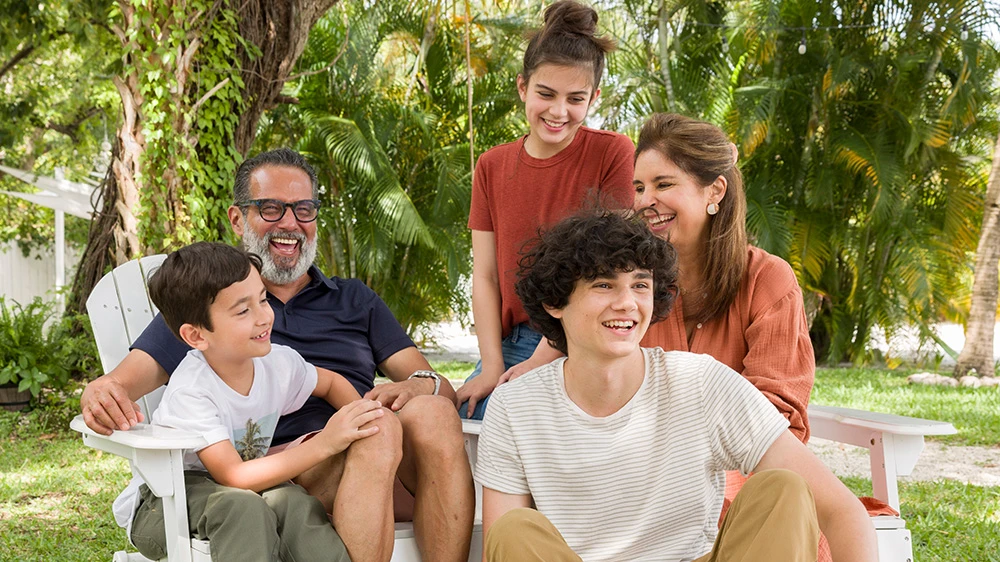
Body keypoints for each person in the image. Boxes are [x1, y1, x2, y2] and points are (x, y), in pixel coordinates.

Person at [81, 148, 475, 562]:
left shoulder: (355, 300)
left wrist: (416, 389)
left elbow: (435, 385)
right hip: (283, 469)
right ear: (238, 219)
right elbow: (117, 384)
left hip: (375, 451)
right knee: (379, 435)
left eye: (304, 209)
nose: (290, 223)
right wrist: (101, 391)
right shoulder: (207, 307)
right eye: (271, 208)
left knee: (433, 413)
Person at [474, 208, 877, 562]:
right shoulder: (515, 405)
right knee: (513, 530)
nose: (627, 303)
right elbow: (505, 549)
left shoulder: (700, 382)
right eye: (603, 285)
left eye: (640, 285)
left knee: (783, 489)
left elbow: (841, 511)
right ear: (555, 302)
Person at [116, 242, 383, 561]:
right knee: (242, 508)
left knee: (295, 503)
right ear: (197, 336)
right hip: (164, 501)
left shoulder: (278, 364)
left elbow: (330, 383)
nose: (264, 317)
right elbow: (234, 476)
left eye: (263, 299)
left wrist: (361, 415)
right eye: (243, 310)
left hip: (238, 489)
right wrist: (326, 442)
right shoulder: (192, 390)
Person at [456, 0, 636, 420]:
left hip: (584, 339)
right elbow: (485, 277)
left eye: (575, 99)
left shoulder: (613, 153)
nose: (558, 111)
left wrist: (541, 359)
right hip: (510, 343)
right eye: (545, 94)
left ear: (594, 98)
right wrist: (492, 366)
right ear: (523, 87)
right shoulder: (492, 165)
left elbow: (609, 269)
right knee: (468, 420)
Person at [632, 112, 814, 444]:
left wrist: (691, 459)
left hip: (744, 464)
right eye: (639, 187)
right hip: (637, 465)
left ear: (715, 191)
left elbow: (775, 414)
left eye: (664, 184)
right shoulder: (626, 281)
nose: (645, 202)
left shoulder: (767, 280)